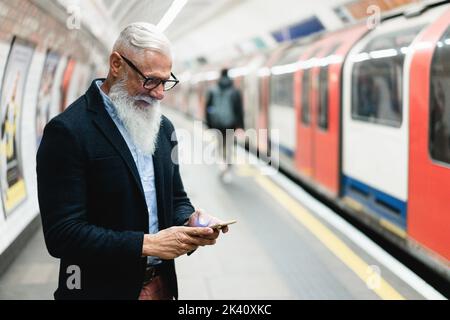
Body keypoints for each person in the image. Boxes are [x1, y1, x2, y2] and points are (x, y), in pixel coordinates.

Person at [36, 22, 229, 300]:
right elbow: (63, 235)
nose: (160, 93)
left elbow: (175, 198)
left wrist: (192, 222)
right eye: (150, 80)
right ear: (116, 64)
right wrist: (147, 244)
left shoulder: (163, 128)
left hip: (161, 287)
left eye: (166, 81)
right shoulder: (69, 132)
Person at [205, 69, 244, 182]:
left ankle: (222, 166)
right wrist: (240, 126)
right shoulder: (235, 91)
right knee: (229, 147)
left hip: (217, 124)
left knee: (220, 146)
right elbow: (239, 110)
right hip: (230, 124)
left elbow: (208, 108)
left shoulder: (212, 90)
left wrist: (209, 124)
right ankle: (228, 166)